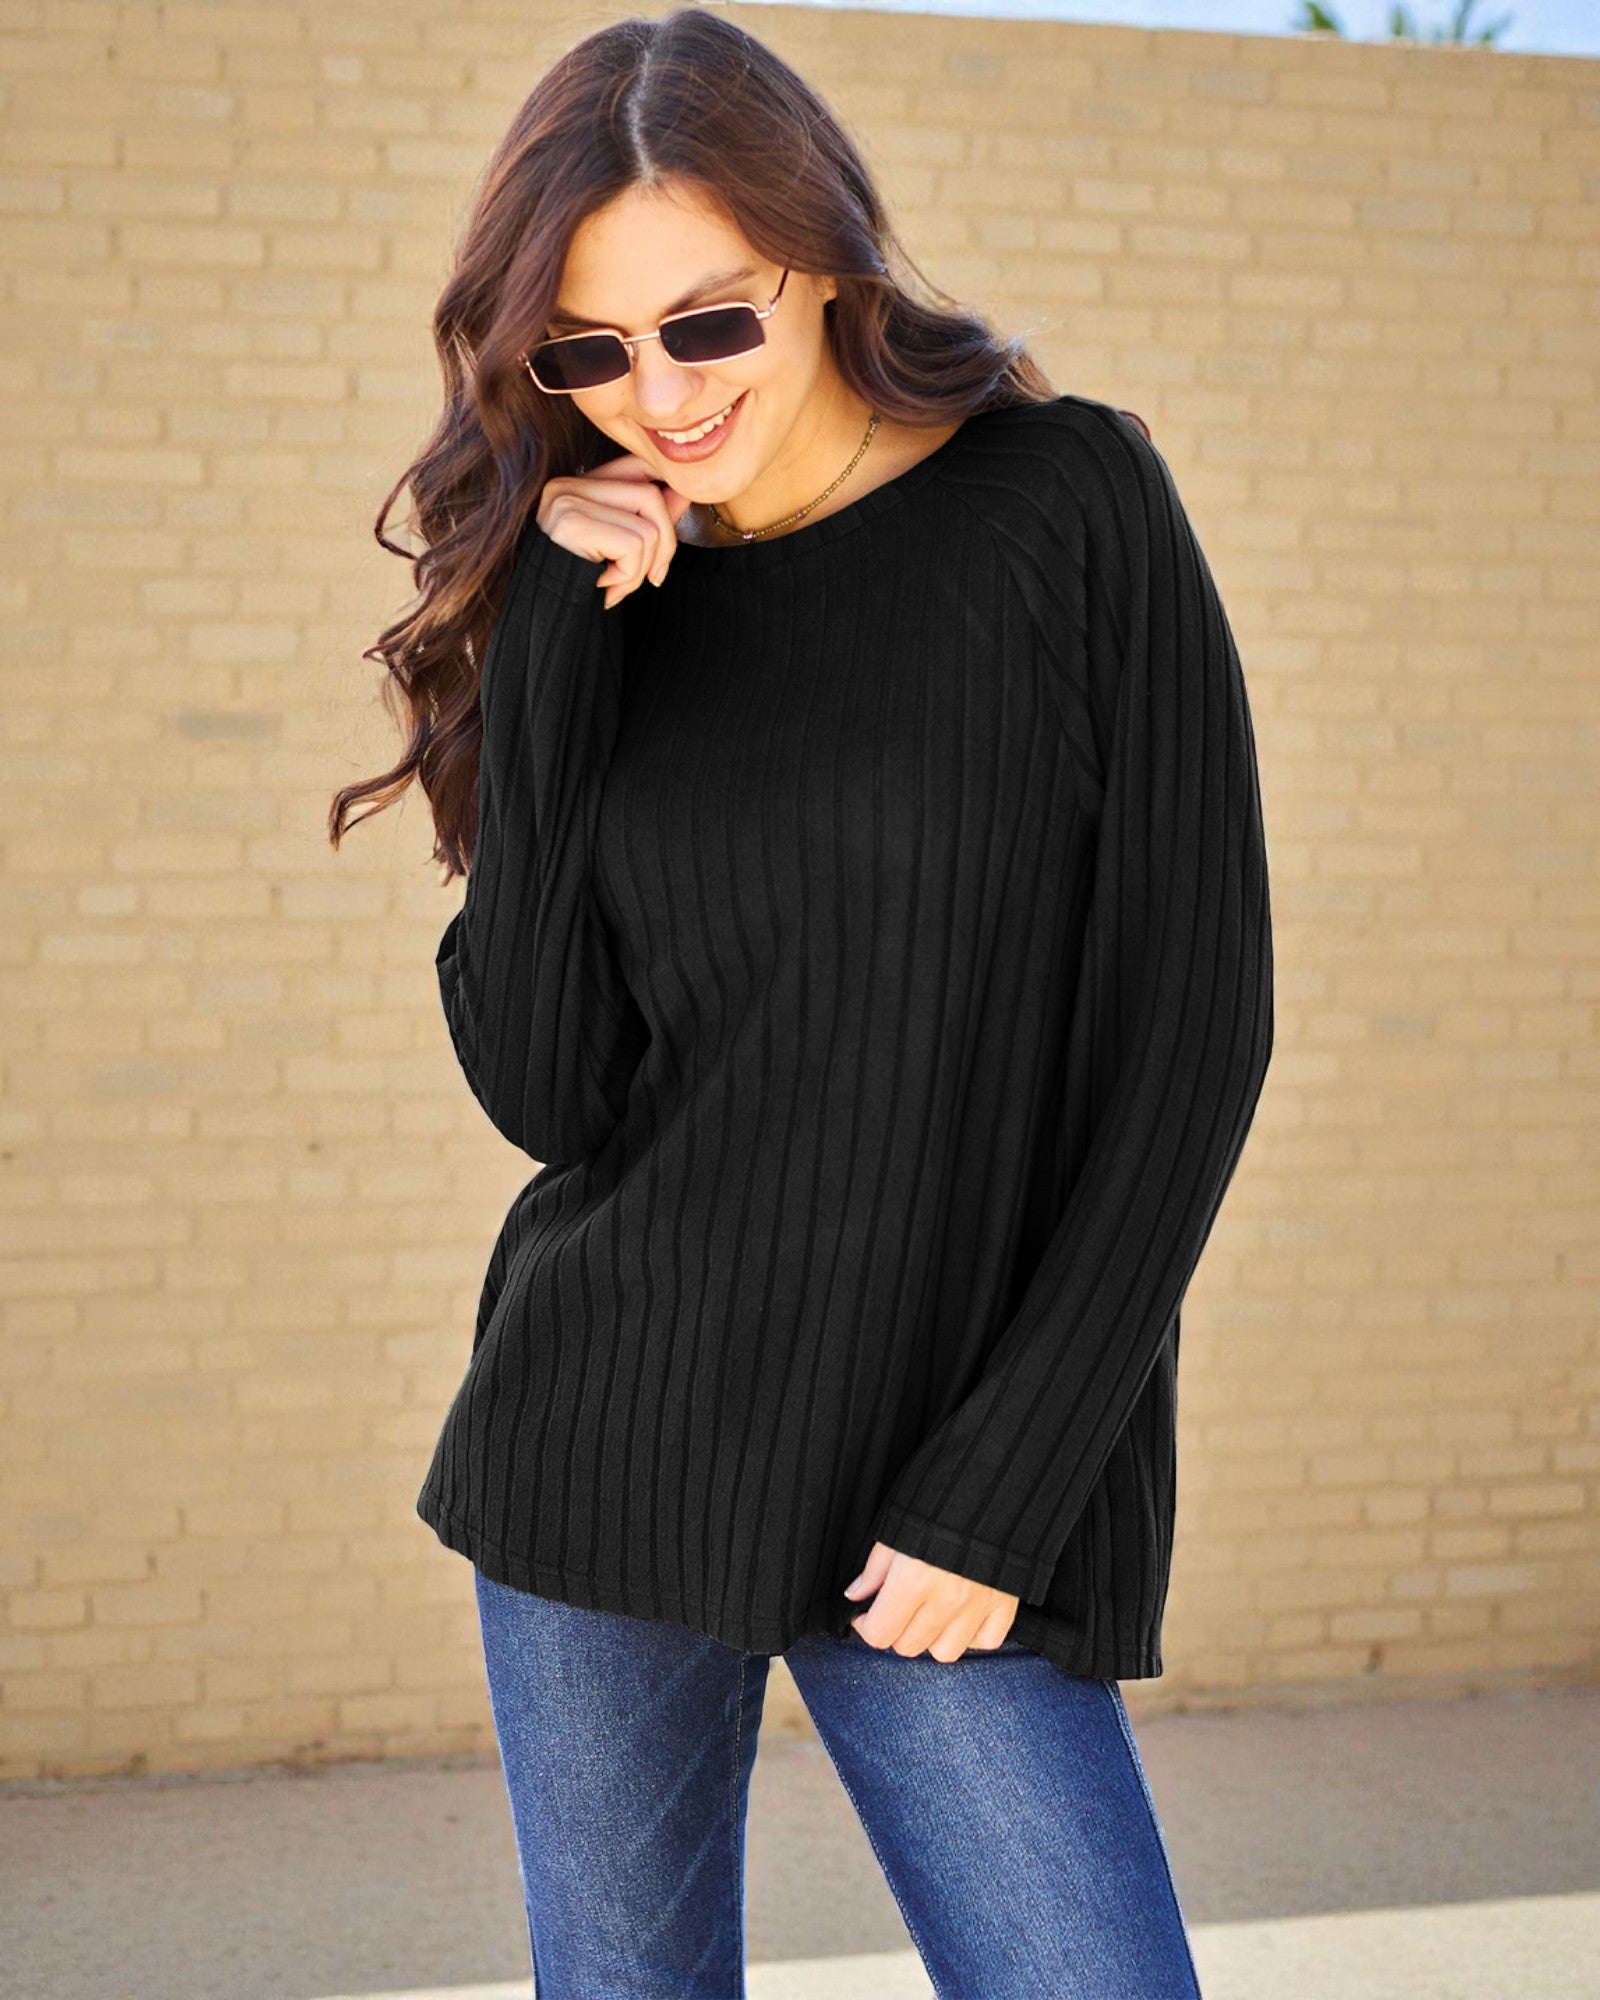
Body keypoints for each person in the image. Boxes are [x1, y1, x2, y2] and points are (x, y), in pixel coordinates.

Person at [330, 10, 1273, 1996]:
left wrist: (1006, 1483)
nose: (652, 397)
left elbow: (1187, 1032)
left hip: (943, 1484)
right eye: (584, 353)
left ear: (826, 256)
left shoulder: (1066, 504)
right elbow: (553, 1092)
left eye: (706, 324)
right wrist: (552, 668)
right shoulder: (601, 604)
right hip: (610, 1445)